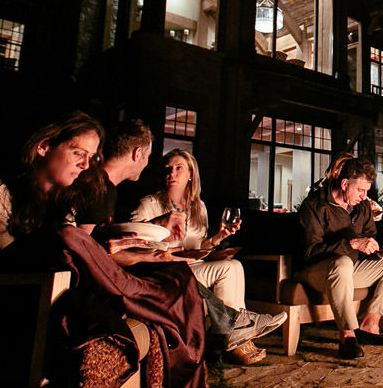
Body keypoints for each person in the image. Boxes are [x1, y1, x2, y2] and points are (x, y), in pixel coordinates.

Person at [0, 111, 250, 388]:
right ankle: (204, 371)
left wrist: (103, 246)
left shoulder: (59, 204)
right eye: (78, 154)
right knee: (73, 240)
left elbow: (72, 251)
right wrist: (89, 247)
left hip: (72, 287)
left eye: (90, 158)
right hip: (24, 308)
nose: (86, 166)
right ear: (43, 147)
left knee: (175, 274)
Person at [75, 126, 284, 365]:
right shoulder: (149, 204)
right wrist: (162, 239)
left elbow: (197, 246)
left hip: (191, 265)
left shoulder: (199, 208)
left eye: (178, 168)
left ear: (191, 175)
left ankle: (234, 334)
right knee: (225, 269)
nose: (171, 174)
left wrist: (217, 240)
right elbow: (131, 243)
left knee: (233, 265)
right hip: (165, 270)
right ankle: (236, 334)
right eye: (167, 169)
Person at [298, 156, 383, 359]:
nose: (364, 196)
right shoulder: (314, 206)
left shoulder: (362, 207)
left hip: (349, 270)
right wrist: (351, 244)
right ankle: (347, 336)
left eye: (366, 191)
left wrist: (381, 250)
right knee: (342, 263)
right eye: (360, 190)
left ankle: (370, 326)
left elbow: (369, 236)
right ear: (344, 183)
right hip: (317, 272)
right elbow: (310, 251)